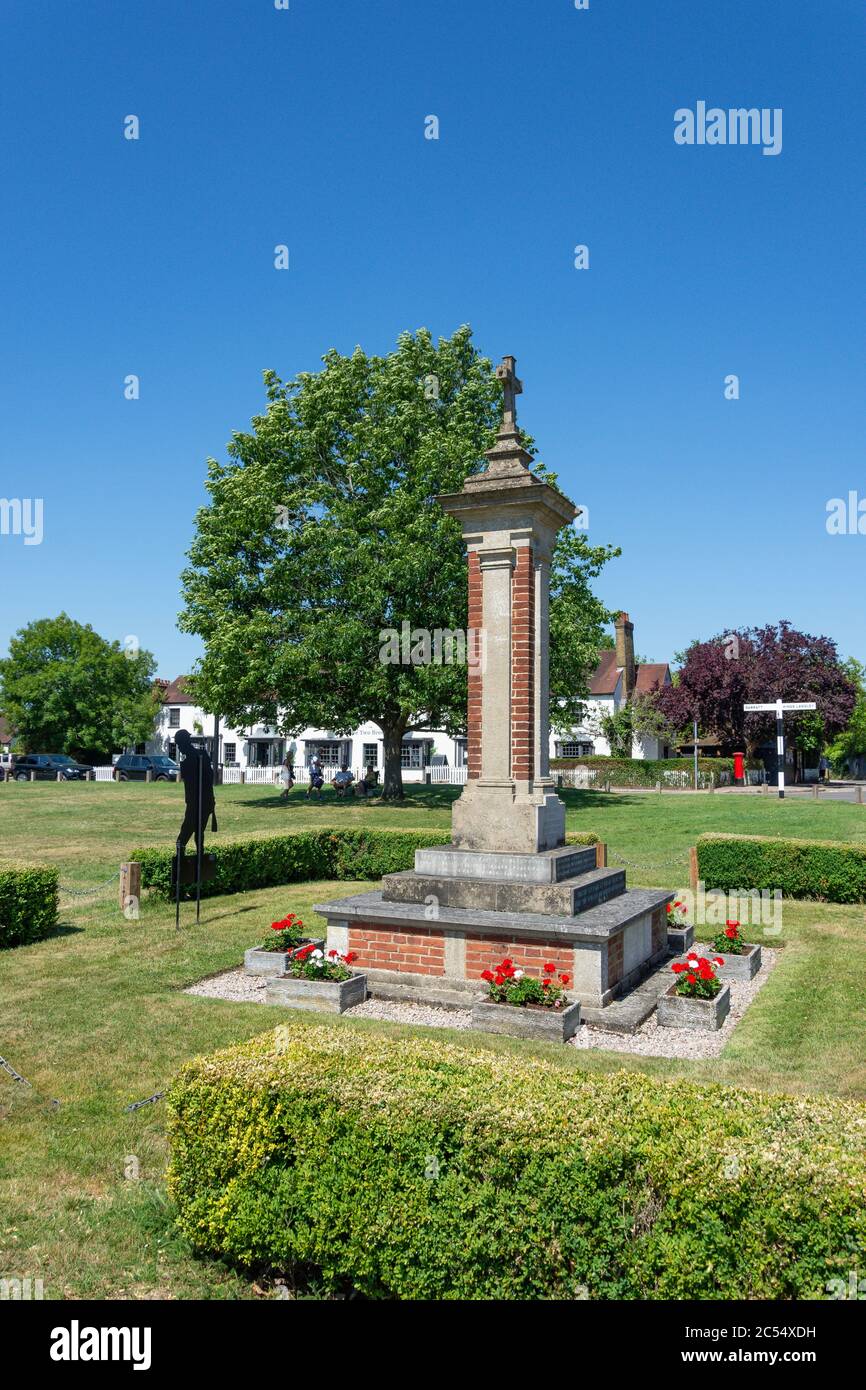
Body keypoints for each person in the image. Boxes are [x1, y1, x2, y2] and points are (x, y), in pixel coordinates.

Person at [175, 729, 218, 856]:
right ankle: (193, 857)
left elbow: (203, 780)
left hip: (199, 803)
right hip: (201, 802)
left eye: (179, 744)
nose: (179, 748)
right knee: (198, 833)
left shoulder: (195, 758)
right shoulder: (199, 756)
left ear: (184, 743)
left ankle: (184, 862)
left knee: (185, 836)